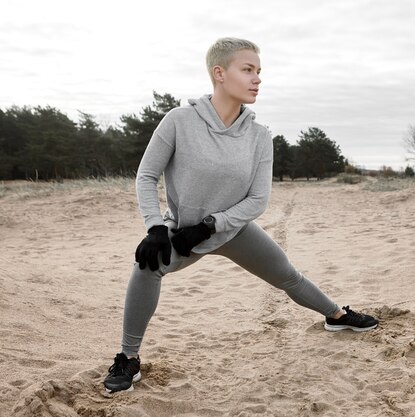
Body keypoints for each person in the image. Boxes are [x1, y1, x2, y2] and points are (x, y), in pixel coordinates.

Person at [103, 37, 379, 394]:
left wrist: (210, 226)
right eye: (247, 70)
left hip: (232, 230)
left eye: (259, 71)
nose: (257, 79)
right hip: (182, 232)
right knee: (146, 265)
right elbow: (146, 176)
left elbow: (258, 199)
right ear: (219, 73)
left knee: (288, 276)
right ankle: (128, 358)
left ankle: (337, 316)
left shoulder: (260, 136)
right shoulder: (179, 121)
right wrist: (156, 227)